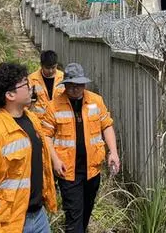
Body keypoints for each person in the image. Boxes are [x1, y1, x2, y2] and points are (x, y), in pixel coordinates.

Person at [0, 62, 57, 233]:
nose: (30, 87)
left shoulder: (32, 119)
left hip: (38, 216)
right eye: (25, 84)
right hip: (12, 223)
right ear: (10, 95)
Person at [41, 63, 120, 233]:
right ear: (65, 85)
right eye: (71, 85)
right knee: (74, 214)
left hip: (93, 169)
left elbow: (107, 126)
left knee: (86, 211)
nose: (75, 89)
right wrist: (54, 160)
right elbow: (45, 135)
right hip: (68, 171)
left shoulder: (95, 101)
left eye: (79, 85)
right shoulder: (53, 106)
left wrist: (113, 152)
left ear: (84, 84)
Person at [28, 50, 65, 118]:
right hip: (39, 121)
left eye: (53, 67)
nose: (50, 71)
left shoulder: (63, 78)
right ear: (41, 65)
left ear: (57, 65)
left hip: (58, 118)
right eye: (47, 68)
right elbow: (25, 102)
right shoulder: (32, 79)